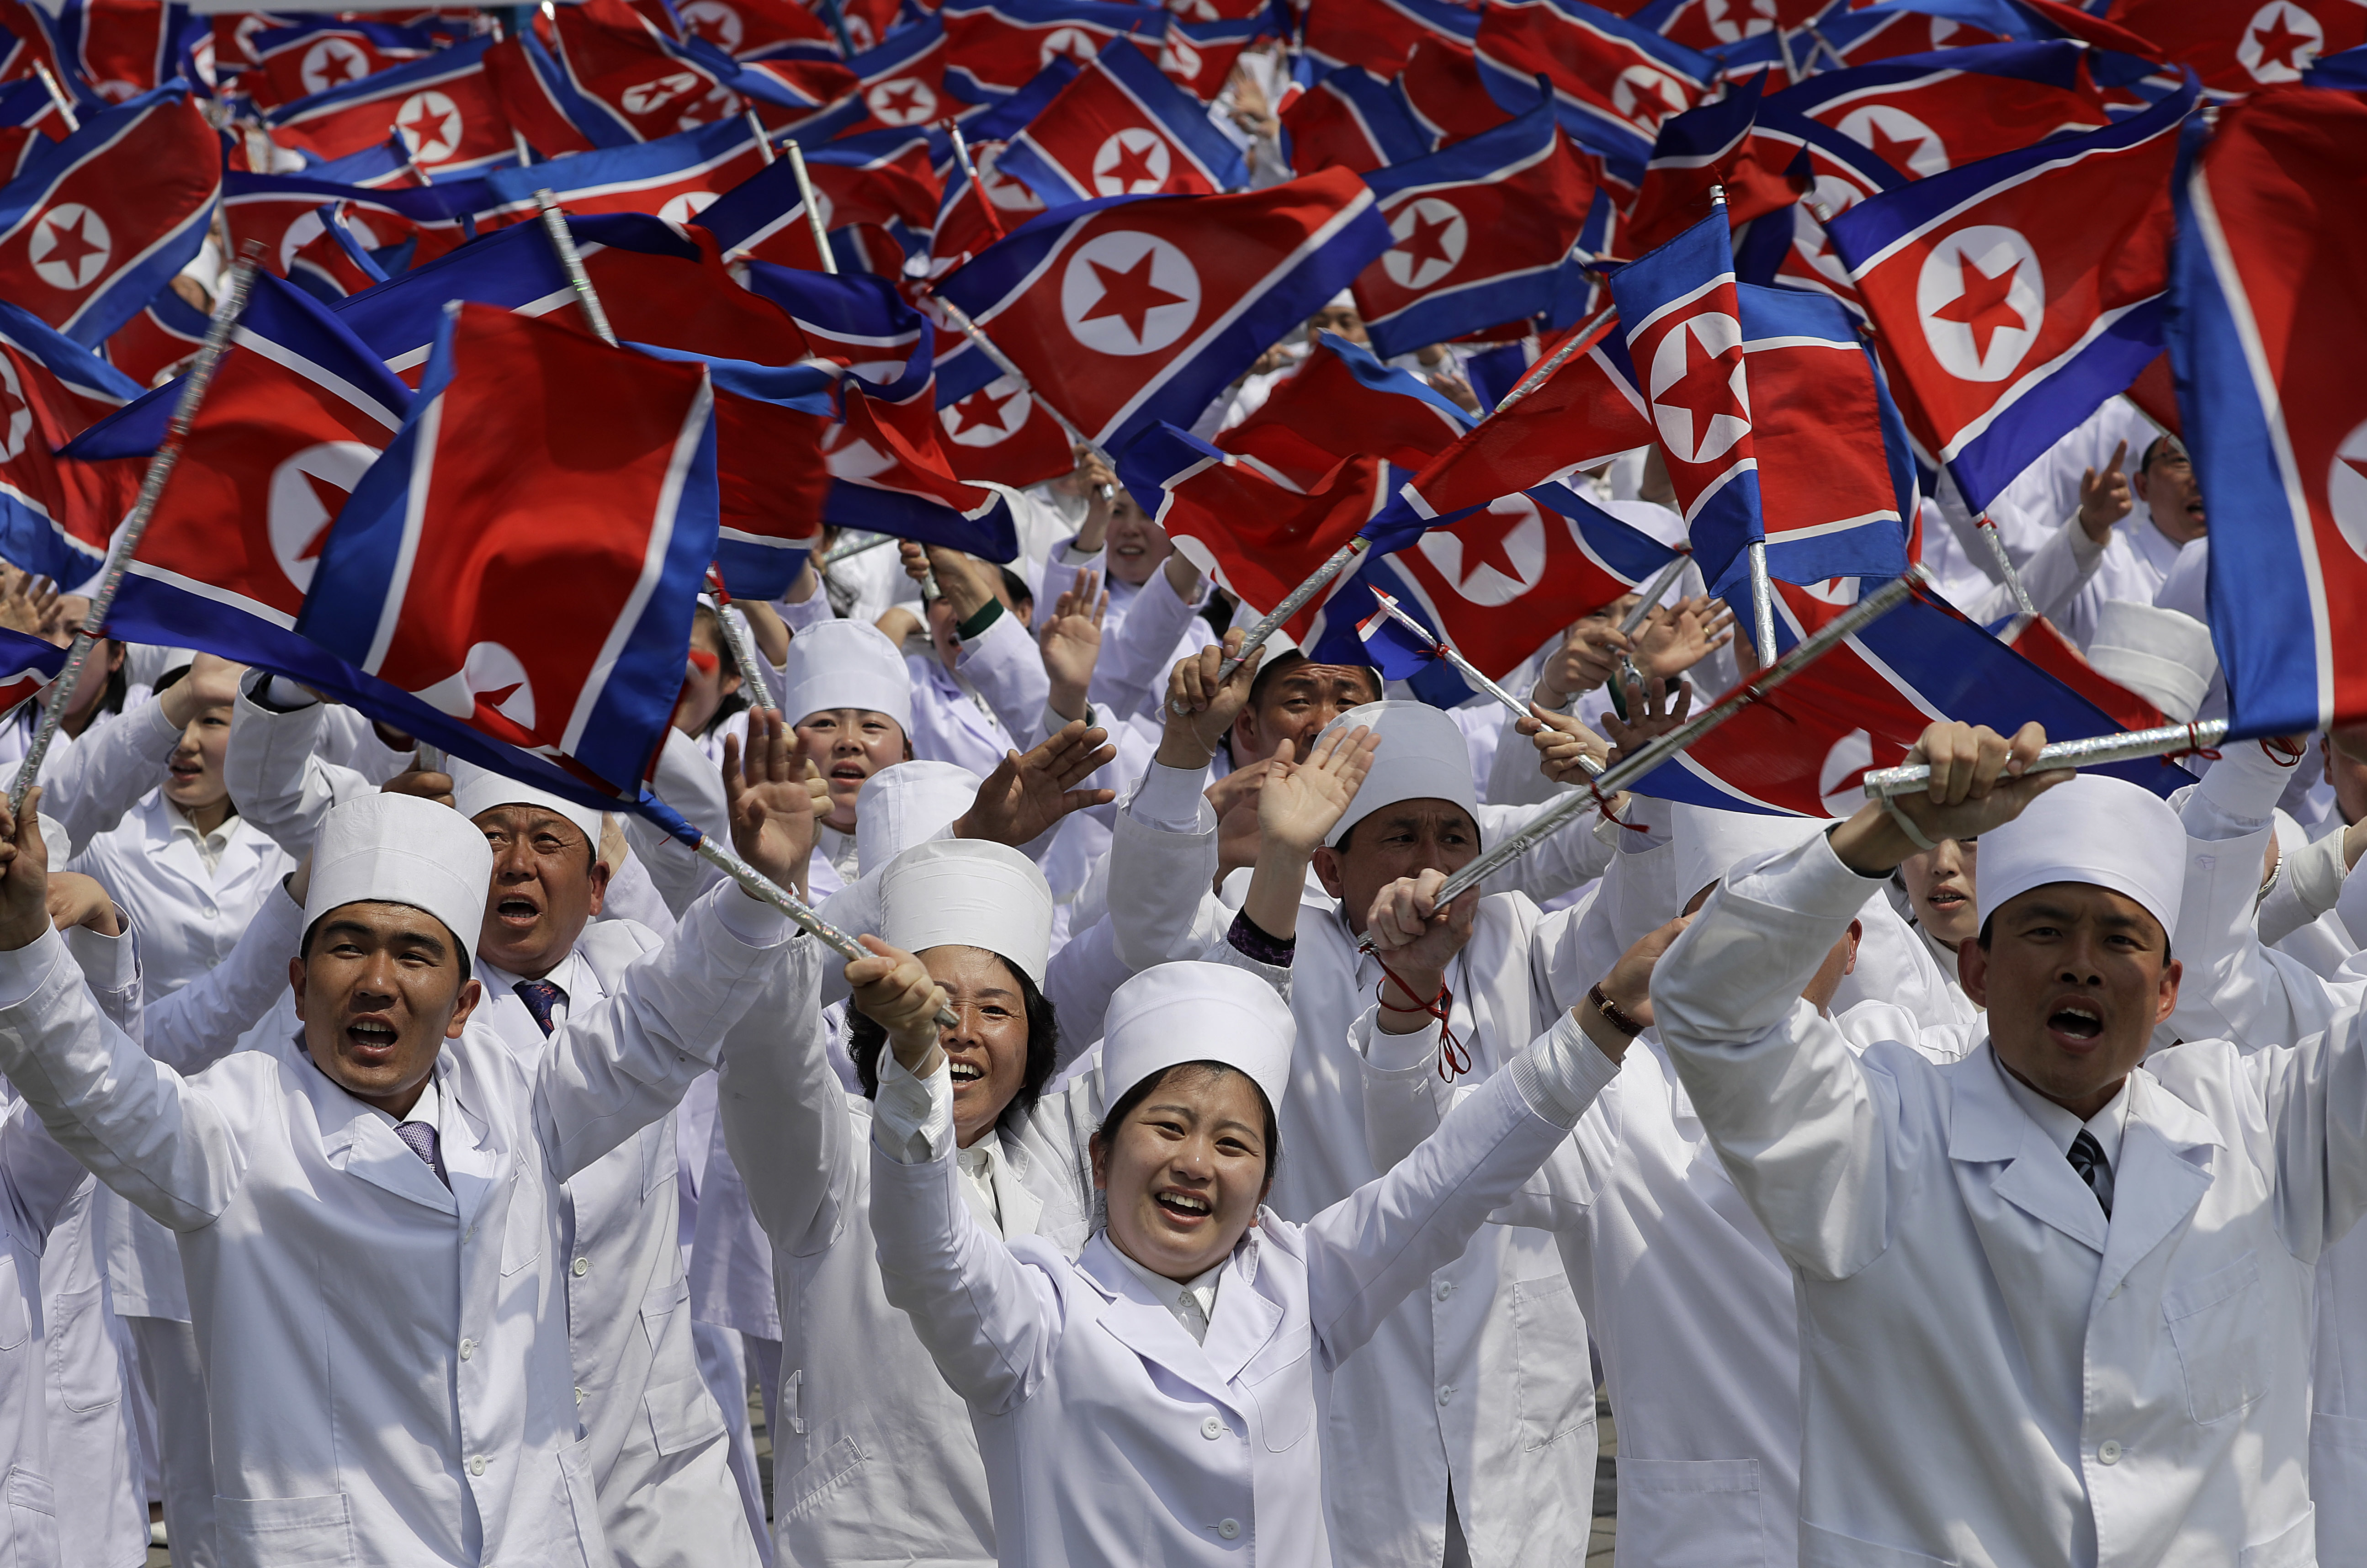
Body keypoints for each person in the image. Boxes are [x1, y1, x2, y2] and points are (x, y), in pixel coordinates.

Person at [0, 744, 816, 1566]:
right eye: (348, 947)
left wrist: (755, 897)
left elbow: (658, 1029)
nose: (378, 982)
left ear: (463, 1005)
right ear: (297, 980)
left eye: (416, 956)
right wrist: (26, 940)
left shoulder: (521, 1097)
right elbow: (93, 1088)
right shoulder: (232, 1127)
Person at [1650, 721, 2358, 1566]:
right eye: (2046, 931)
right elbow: (1708, 1007)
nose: (2083, 967)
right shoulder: (1879, 1139)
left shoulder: (2259, 1128)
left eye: (2121, 939)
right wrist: (1888, 830)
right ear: (1978, 973)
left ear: (2169, 990)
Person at [716, 719, 1371, 1567]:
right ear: (879, 1021)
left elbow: (1209, 1049)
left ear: (1034, 1038)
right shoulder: (831, 1155)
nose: (957, 1031)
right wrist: (778, 887)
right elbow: (769, 1053)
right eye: (933, 1002)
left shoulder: (1067, 1146)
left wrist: (1281, 864)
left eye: (995, 1010)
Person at [861, 957, 1624, 1568]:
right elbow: (928, 1250)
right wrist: (913, 1065)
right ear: (1100, 1157)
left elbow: (1451, 1177)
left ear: (1262, 1189)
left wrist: (1601, 1023)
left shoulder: (1303, 1281)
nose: (1196, 1163)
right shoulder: (1035, 1318)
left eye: (1232, 1146)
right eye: (1168, 1128)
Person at [445, 753, 765, 1568]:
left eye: (547, 840)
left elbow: (771, 964)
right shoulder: (430, 1018)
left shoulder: (630, 966)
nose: (516, 862)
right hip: (502, 1459)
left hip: (664, 1460)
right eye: (492, 840)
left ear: (594, 889)